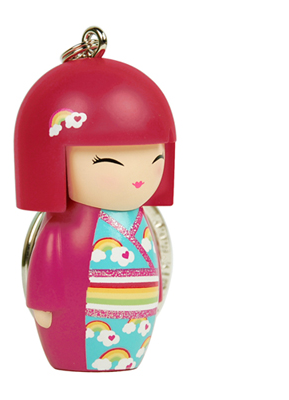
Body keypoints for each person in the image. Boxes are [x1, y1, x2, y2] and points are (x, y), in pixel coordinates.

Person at [15, 56, 176, 371]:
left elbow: (156, 256)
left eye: (154, 160)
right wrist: (42, 302)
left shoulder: (140, 218)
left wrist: (155, 297)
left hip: (137, 321)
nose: (138, 178)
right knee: (76, 340)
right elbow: (49, 258)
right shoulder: (65, 226)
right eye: (111, 163)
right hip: (75, 324)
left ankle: (129, 353)